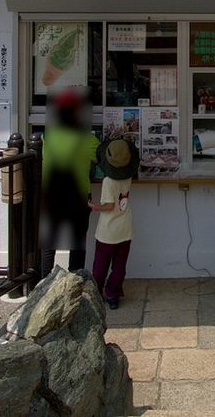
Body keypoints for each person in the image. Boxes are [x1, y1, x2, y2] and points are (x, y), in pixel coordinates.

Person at [40, 88, 99, 276]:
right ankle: (75, 284)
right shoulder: (88, 140)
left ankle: (43, 285)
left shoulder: (47, 137)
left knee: (49, 244)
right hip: (78, 196)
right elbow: (104, 157)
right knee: (77, 243)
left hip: (52, 194)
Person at [88, 137, 139, 309]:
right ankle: (113, 295)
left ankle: (96, 294)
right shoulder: (128, 177)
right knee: (119, 267)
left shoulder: (108, 181)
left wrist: (93, 206)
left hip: (108, 230)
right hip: (125, 227)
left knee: (100, 266)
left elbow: (109, 206)